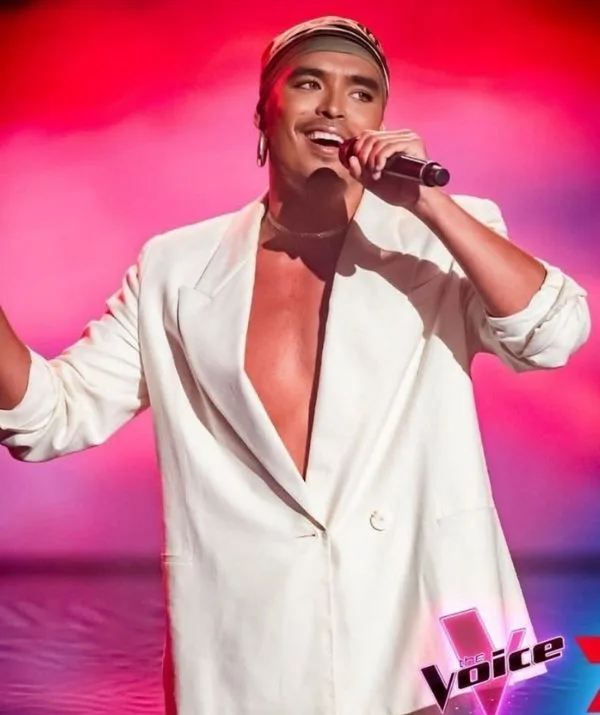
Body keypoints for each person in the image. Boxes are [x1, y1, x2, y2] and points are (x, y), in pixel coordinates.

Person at [0, 15, 590, 715]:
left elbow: (553, 334)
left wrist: (429, 203)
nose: (336, 106)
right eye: (310, 83)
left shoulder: (440, 234)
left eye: (362, 92)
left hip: (431, 650)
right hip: (249, 653)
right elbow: (51, 418)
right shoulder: (175, 269)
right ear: (263, 112)